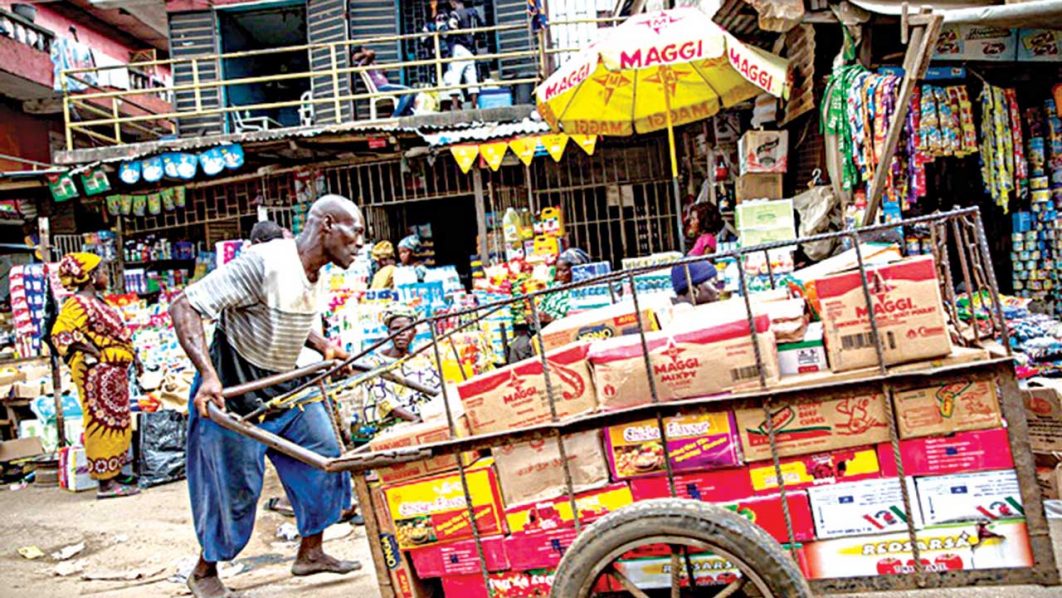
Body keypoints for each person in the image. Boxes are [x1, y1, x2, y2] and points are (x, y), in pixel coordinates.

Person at [170, 194, 365, 598]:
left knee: (325, 456)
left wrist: (324, 346)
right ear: (327, 225)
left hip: (286, 383)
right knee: (234, 489)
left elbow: (285, 313)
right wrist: (207, 375)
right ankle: (204, 571)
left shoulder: (317, 270)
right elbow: (184, 305)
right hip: (234, 389)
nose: (361, 243)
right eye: (356, 231)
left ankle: (311, 552)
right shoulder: (263, 262)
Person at [50, 253, 142, 500]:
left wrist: (134, 358)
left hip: (112, 373)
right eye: (101, 271)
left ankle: (113, 472)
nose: (105, 276)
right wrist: (94, 352)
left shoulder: (98, 302)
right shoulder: (78, 304)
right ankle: (105, 483)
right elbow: (61, 333)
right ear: (90, 276)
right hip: (96, 373)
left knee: (116, 421)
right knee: (101, 422)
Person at [352, 305, 441, 442]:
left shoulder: (421, 362)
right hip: (390, 426)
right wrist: (419, 422)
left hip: (423, 420)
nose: (401, 334)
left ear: (414, 332)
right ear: (389, 333)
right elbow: (388, 404)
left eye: (406, 329)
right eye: (395, 329)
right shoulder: (374, 363)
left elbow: (438, 393)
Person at [351, 46, 414, 116]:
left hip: (384, 86)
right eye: (364, 50)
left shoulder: (371, 63)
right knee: (408, 91)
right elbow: (371, 53)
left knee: (409, 92)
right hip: (381, 87)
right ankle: (396, 115)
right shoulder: (363, 63)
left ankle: (407, 112)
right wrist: (363, 54)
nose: (366, 51)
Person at [444, 0, 481, 110]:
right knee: (472, 78)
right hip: (471, 50)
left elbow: (450, 27)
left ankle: (455, 107)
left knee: (454, 77)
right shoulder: (474, 13)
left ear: (453, 3)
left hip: (459, 48)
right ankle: (474, 106)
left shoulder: (455, 14)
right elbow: (480, 30)